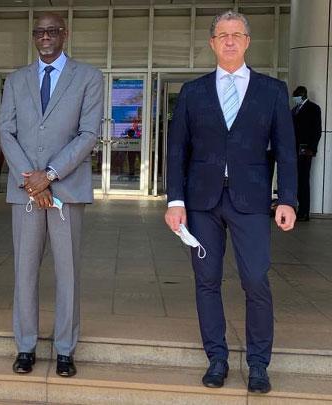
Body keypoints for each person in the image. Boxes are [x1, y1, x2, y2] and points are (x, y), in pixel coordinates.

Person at [165, 11, 297, 394]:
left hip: (251, 201)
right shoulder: (193, 92)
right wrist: (175, 201)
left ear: (247, 41)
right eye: (222, 35)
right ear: (211, 43)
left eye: (237, 34)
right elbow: (177, 152)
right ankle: (217, 359)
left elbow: (286, 150)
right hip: (201, 202)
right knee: (207, 281)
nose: (229, 41)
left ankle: (258, 364)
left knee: (255, 279)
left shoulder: (271, 91)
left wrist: (286, 198)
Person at [0, 12, 103, 378]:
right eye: (40, 32)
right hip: (26, 192)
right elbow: (6, 132)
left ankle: (64, 349)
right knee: (24, 271)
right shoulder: (16, 80)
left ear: (65, 35)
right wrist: (32, 181)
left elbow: (88, 133)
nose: (46, 37)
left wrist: (51, 175)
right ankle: (25, 346)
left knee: (67, 272)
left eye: (53, 31)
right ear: (34, 37)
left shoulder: (88, 77)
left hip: (67, 191)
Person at [291, 86, 322, 222]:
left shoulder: (314, 109)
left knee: (303, 180)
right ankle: (298, 208)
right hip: (294, 150)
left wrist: (312, 149)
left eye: (296, 96)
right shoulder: (294, 110)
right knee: (296, 180)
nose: (295, 98)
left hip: (305, 149)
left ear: (303, 95)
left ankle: (304, 211)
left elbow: (317, 130)